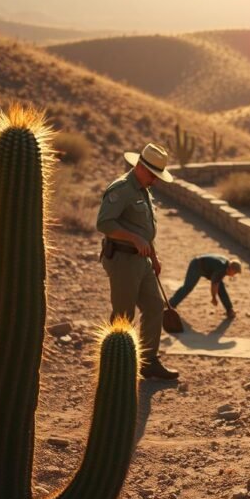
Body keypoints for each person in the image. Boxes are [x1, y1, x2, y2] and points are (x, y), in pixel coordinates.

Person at [97, 142, 179, 380]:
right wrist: (133, 238)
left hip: (142, 261)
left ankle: (148, 361)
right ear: (140, 167)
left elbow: (143, 228)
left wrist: (154, 256)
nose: (155, 180)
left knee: (154, 307)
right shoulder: (122, 189)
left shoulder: (143, 188)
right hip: (122, 259)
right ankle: (114, 367)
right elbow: (104, 224)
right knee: (123, 314)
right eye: (153, 175)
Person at [168, 254, 242, 319]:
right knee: (188, 287)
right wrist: (214, 298)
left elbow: (217, 283)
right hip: (196, 266)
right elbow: (214, 285)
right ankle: (171, 304)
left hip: (205, 268)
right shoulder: (221, 268)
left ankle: (229, 309)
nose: (233, 275)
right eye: (234, 273)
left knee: (221, 287)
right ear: (231, 269)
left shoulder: (226, 264)